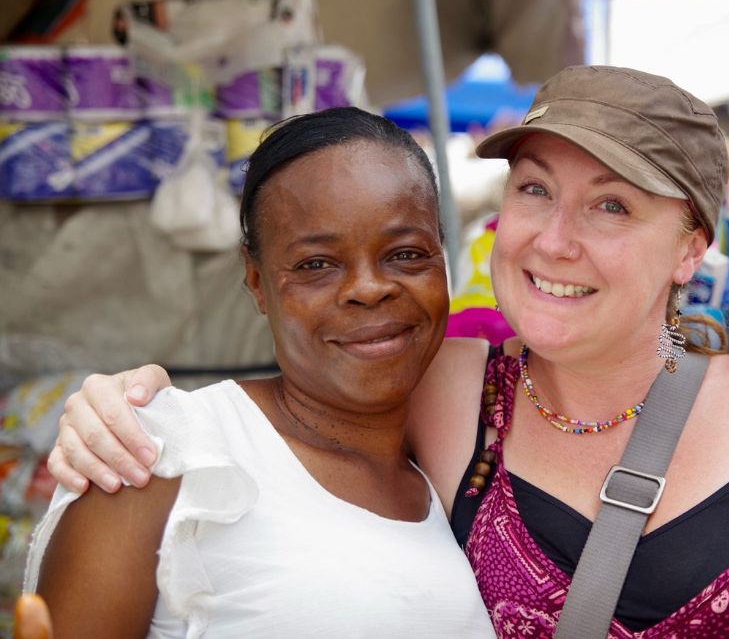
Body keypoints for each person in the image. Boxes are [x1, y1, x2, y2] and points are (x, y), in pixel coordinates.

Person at [49, 66, 729, 637]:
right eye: (533, 191)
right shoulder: (448, 394)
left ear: (692, 246)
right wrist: (123, 405)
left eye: (611, 204)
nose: (555, 238)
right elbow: (308, 381)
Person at [24, 108, 497, 637]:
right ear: (256, 281)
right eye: (316, 263)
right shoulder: (161, 452)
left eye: (406, 254)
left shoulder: (460, 477)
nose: (369, 287)